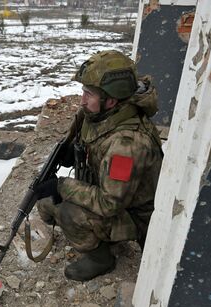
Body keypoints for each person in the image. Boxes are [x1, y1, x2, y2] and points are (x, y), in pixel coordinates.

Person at [33, 50, 163, 281]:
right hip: (114, 192)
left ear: (111, 100)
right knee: (46, 203)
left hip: (132, 214)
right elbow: (88, 138)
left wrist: (63, 186)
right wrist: (70, 154)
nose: (82, 100)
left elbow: (109, 203)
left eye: (89, 94)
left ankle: (101, 258)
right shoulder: (102, 113)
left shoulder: (127, 145)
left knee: (67, 211)